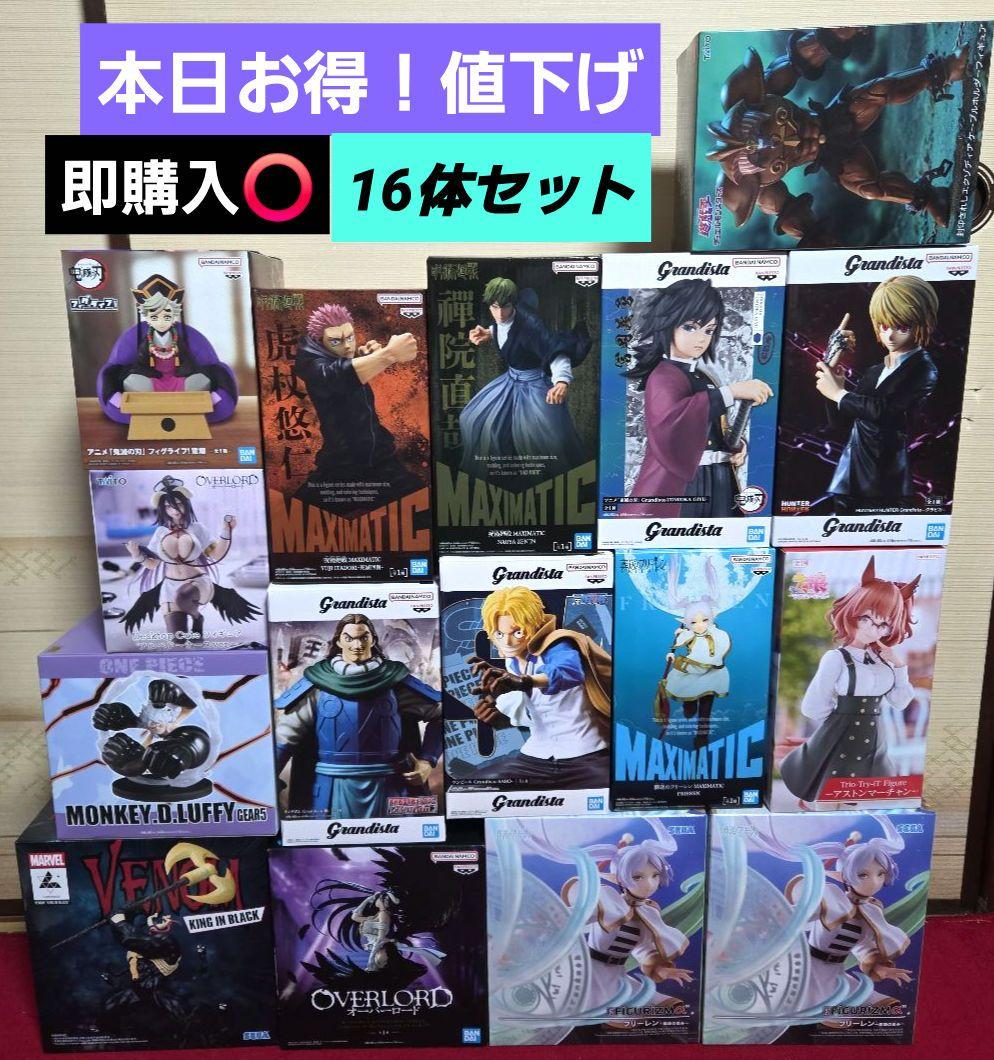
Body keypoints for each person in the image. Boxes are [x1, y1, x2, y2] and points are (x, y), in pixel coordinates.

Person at [623, 279, 772, 517]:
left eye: (709, 330)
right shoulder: (663, 375)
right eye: (690, 327)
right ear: (667, 324)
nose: (701, 338)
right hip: (683, 482)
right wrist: (730, 393)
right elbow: (671, 425)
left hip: (717, 476)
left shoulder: (703, 376)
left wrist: (736, 445)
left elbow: (712, 427)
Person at [779, 558, 919, 805]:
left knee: (870, 800)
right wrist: (838, 720)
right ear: (853, 613)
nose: (873, 629)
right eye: (867, 619)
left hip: (874, 739)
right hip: (839, 737)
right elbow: (812, 707)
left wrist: (899, 666)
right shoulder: (836, 658)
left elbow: (899, 702)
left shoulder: (885, 662)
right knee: (829, 798)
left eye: (883, 624)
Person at [274, 613, 441, 819]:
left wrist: (427, 761)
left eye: (363, 637)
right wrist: (268, 781)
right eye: (349, 638)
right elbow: (286, 736)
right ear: (338, 641)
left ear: (373, 640)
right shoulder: (317, 684)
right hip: (331, 786)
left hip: (389, 784)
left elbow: (440, 716)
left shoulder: (395, 681)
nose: (357, 644)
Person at [814, 276, 939, 512]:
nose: (890, 335)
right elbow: (841, 423)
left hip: (884, 483)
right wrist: (833, 386)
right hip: (848, 479)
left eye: (902, 327)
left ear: (923, 322)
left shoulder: (923, 369)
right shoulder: (875, 371)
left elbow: (885, 411)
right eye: (884, 326)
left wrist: (839, 393)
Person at [467, 585, 612, 789]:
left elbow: (569, 672)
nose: (507, 641)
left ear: (533, 626)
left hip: (586, 754)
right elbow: (541, 710)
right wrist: (500, 717)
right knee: (475, 787)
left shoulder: (558, 645)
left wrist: (525, 681)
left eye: (517, 632)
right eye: (499, 634)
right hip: (536, 757)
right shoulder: (512, 662)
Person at [293, 302, 423, 514]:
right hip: (340, 469)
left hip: (381, 462)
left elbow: (347, 382)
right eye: (336, 341)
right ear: (320, 342)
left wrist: (365, 359)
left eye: (350, 337)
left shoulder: (337, 357)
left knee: (422, 506)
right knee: (295, 518)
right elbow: (336, 376)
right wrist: (388, 355)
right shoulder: (312, 365)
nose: (347, 346)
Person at [459, 277, 590, 482]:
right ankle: (497, 479)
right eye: (494, 307)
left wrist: (561, 382)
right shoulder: (503, 318)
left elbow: (555, 351)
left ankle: (563, 487)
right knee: (472, 419)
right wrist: (490, 332)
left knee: (546, 442)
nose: (500, 314)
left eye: (505, 307)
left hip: (535, 385)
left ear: (514, 304)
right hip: (510, 381)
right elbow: (506, 329)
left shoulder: (531, 326)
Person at [563, 834, 694, 1024]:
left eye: (655, 875)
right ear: (620, 878)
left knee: (667, 1006)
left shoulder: (649, 911)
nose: (649, 884)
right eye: (638, 877)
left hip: (616, 975)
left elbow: (643, 949)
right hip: (588, 974)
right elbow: (570, 918)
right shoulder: (606, 901)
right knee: (613, 1015)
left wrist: (661, 969)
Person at [122, 476, 260, 647]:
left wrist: (226, 531)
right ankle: (195, 618)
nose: (174, 510)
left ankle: (196, 617)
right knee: (178, 639)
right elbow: (153, 564)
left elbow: (216, 555)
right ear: (163, 509)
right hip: (170, 586)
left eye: (179, 504)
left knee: (183, 595)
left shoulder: (197, 528)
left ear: (186, 504)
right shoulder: (160, 532)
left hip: (197, 583)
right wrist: (136, 555)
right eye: (168, 506)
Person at [98, 274, 237, 426]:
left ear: (175, 313)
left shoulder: (183, 336)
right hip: (152, 378)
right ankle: (136, 407)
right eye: (154, 316)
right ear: (146, 315)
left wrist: (185, 372)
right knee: (135, 382)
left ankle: (202, 405)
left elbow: (194, 362)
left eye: (167, 316)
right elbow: (138, 364)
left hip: (179, 377)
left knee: (199, 381)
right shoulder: (141, 337)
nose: (161, 322)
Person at [656, 602, 731, 748]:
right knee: (689, 698)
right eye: (693, 622)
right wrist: (671, 653)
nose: (700, 625)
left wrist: (712, 662)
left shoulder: (719, 634)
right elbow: (677, 644)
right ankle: (689, 703)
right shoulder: (688, 634)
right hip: (692, 671)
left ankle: (702, 737)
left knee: (706, 707)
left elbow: (721, 650)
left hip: (712, 674)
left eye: (704, 620)